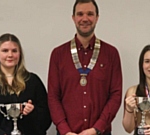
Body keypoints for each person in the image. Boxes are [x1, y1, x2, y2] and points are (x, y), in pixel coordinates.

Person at [47, 0, 122, 135]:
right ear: (73, 18)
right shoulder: (58, 54)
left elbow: (116, 95)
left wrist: (97, 129)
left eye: (90, 14)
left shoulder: (111, 54)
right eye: (80, 14)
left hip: (100, 133)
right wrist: (65, 130)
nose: (85, 19)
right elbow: (53, 97)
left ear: (97, 18)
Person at [0, 33, 52, 135]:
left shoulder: (33, 81)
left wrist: (33, 112)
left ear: (20, 54)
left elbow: (47, 119)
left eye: (14, 51)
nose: (10, 55)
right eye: (5, 51)